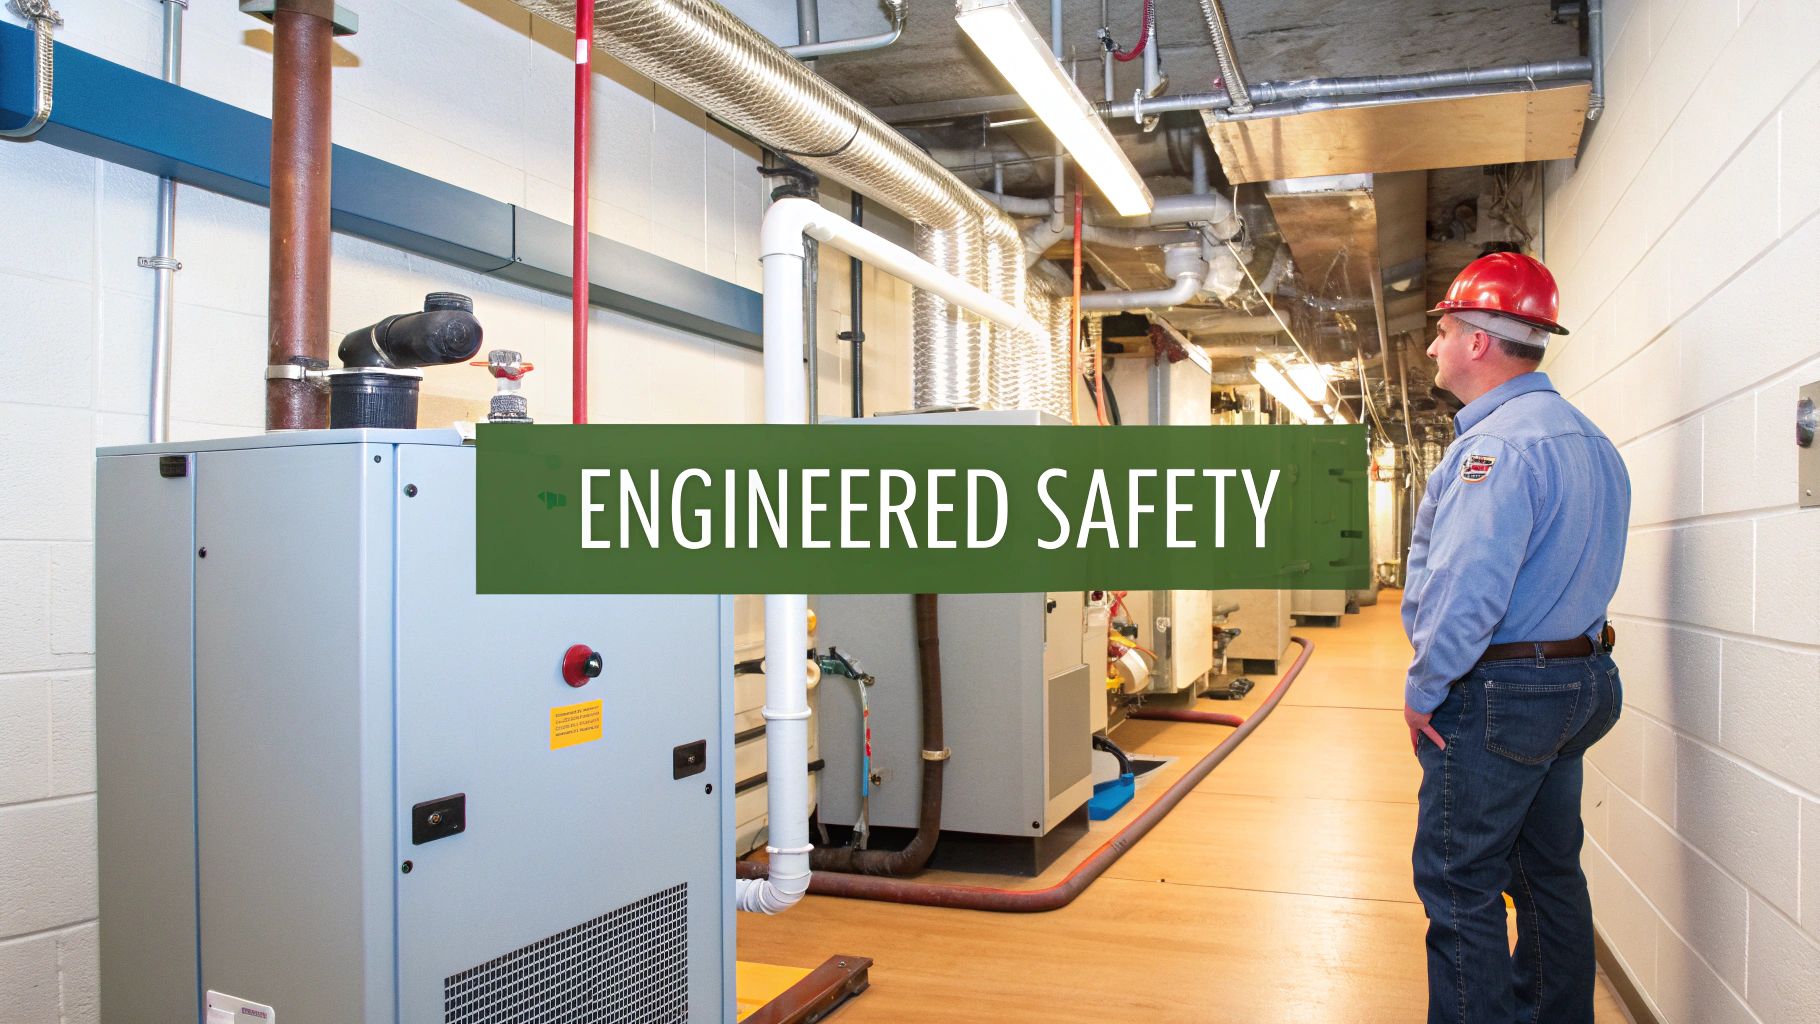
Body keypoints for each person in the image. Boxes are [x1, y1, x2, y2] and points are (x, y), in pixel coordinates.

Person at [1401, 251, 1630, 1024]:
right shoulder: (1591, 441)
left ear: (1476, 342)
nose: (1433, 347)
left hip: (1504, 697)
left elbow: (1468, 597)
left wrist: (1423, 691)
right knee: (1547, 875)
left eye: (1442, 332)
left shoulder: (1493, 452)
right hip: (1580, 684)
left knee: (1459, 883)